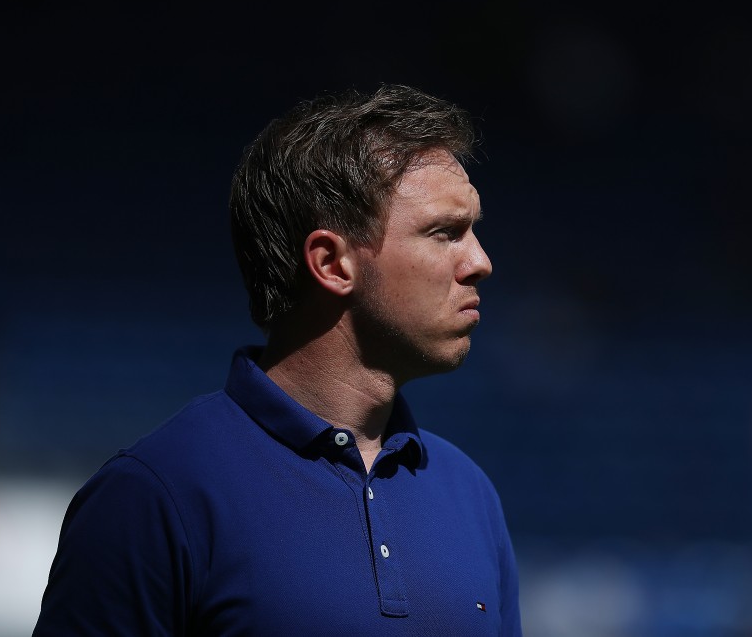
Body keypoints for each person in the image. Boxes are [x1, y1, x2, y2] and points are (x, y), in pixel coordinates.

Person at [33, 84, 522, 636]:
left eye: (472, 231)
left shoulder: (470, 493)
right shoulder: (155, 494)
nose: (480, 261)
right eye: (445, 233)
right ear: (331, 263)